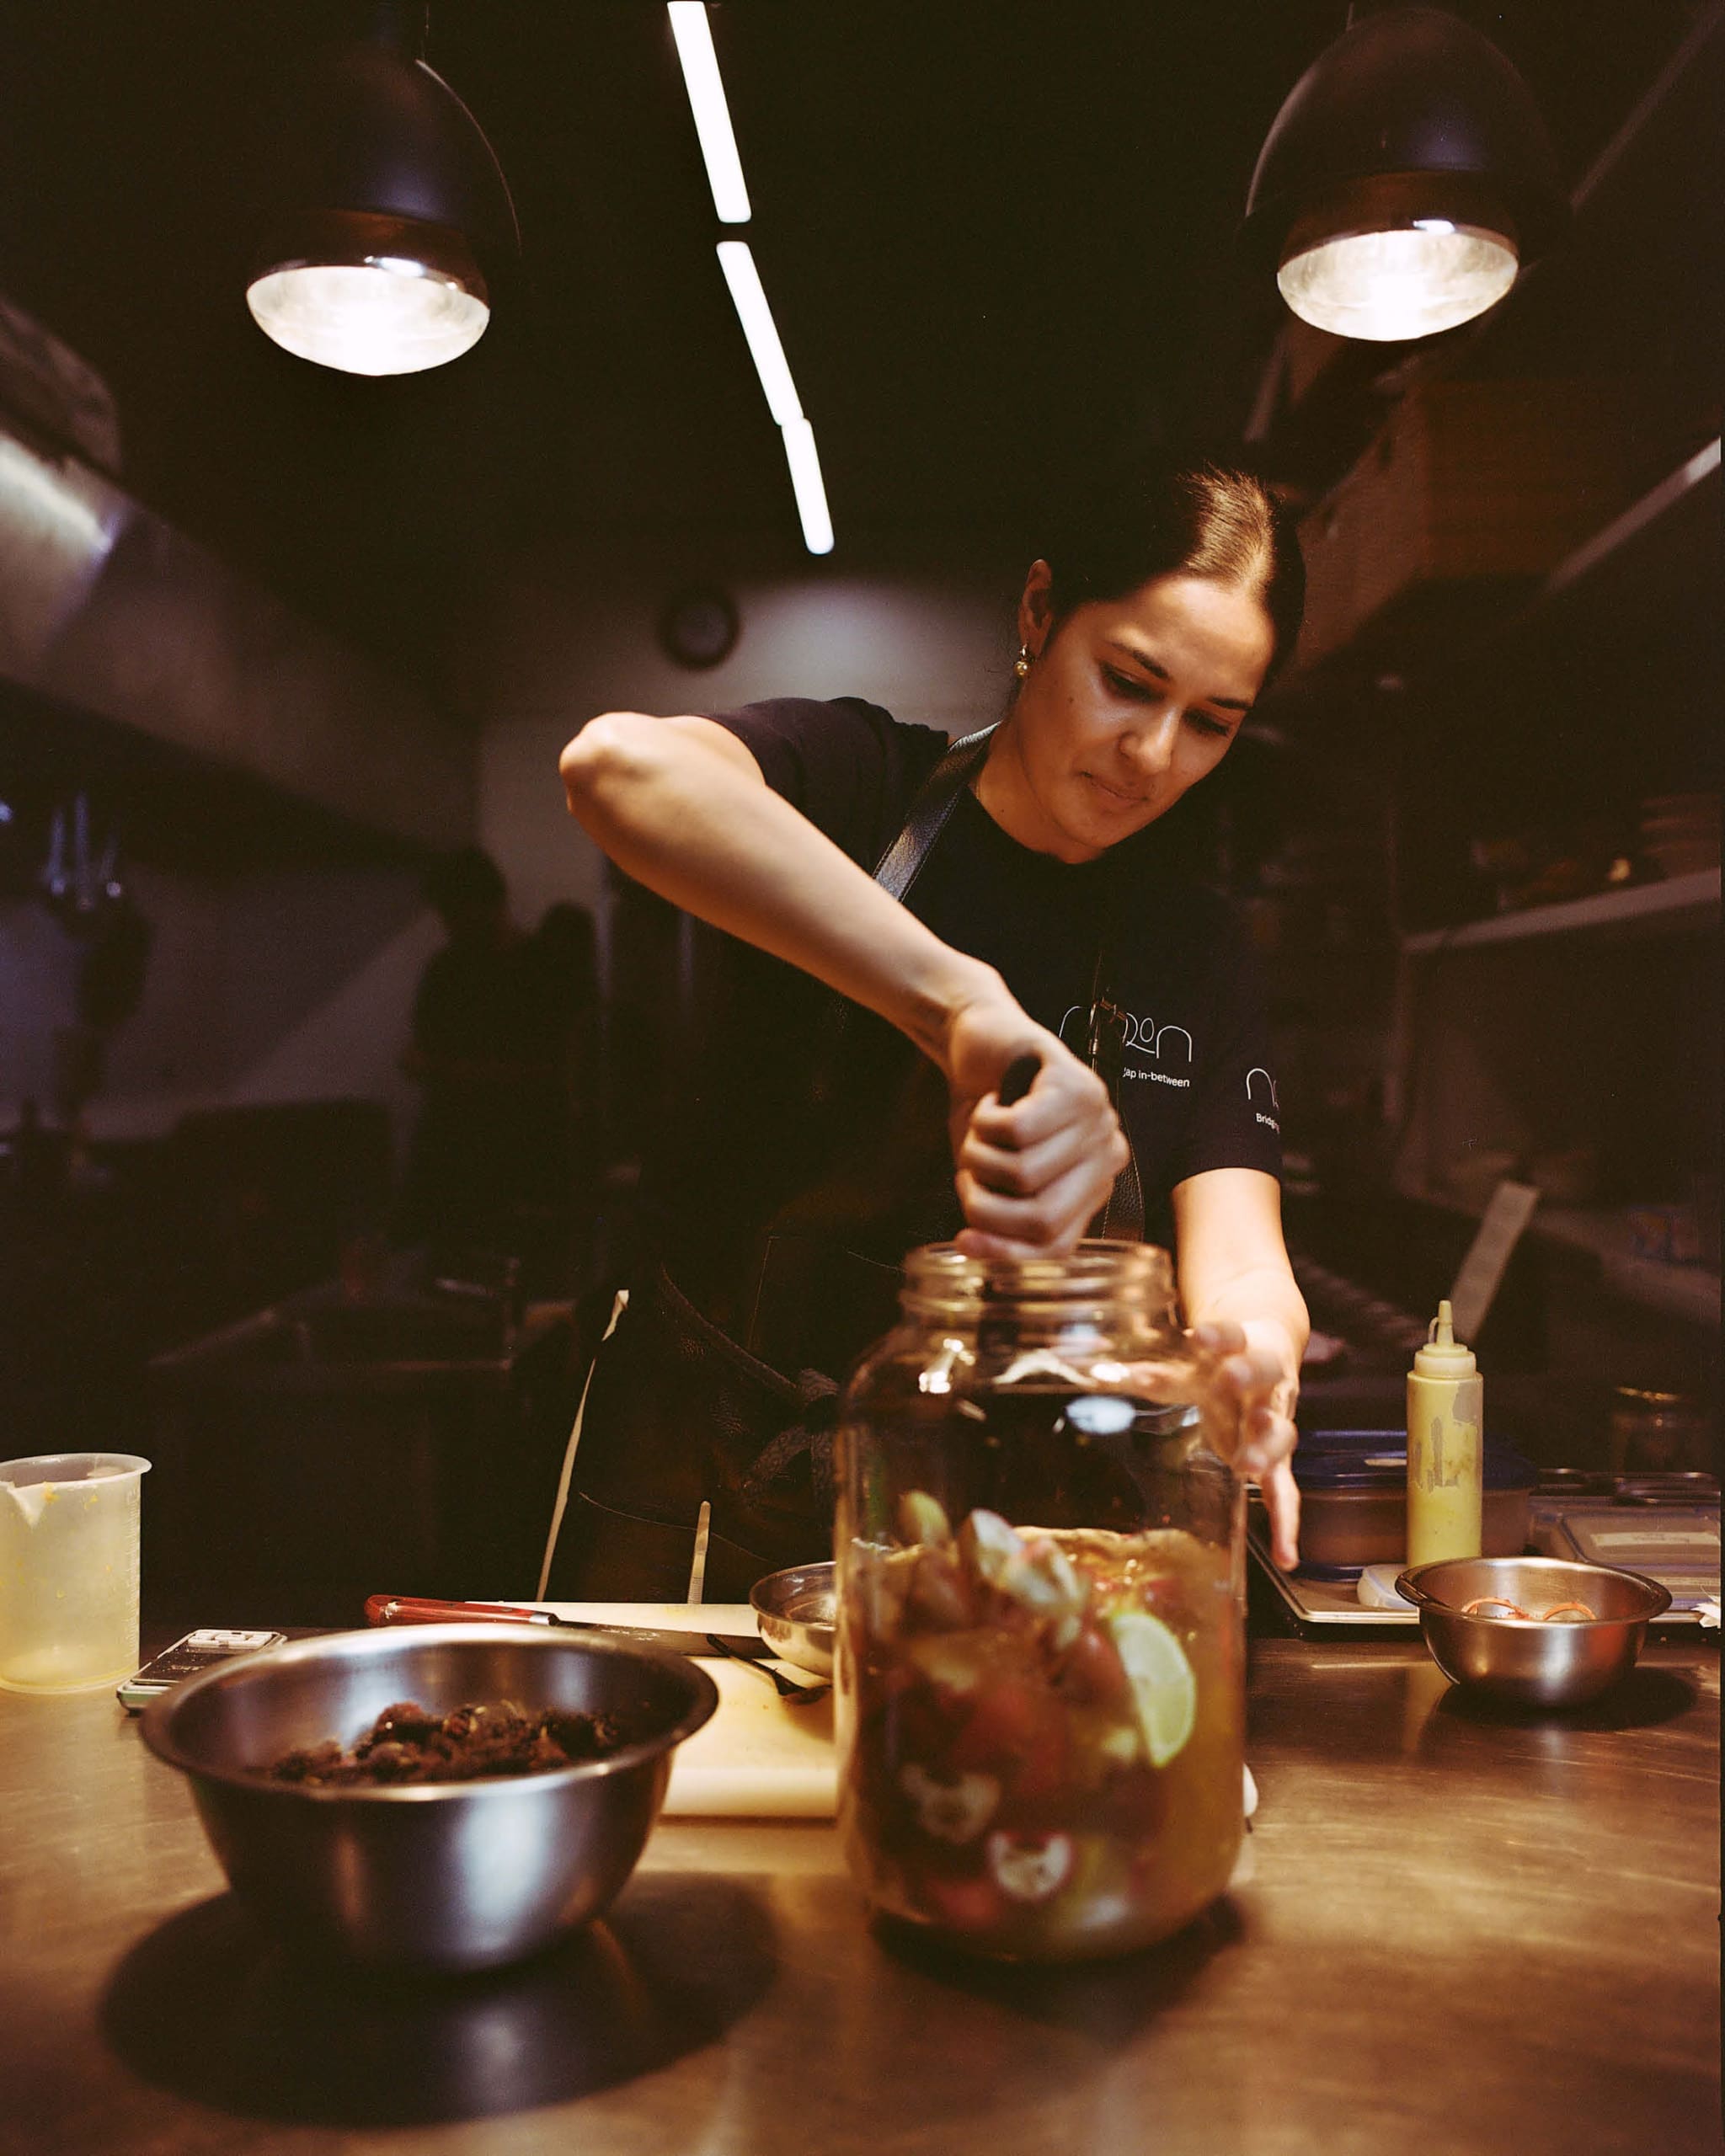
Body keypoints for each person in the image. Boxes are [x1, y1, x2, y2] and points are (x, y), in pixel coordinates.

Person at [544, 456, 1308, 1601]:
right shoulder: (863, 785)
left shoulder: (1193, 943)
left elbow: (1241, 1245)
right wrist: (958, 1008)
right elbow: (618, 767)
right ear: (1040, 613)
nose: (1153, 757)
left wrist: (1255, 1357)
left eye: (1211, 722)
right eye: (1127, 682)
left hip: (1012, 1531)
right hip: (707, 1499)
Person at [398, 847, 572, 1265]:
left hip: (517, 1168)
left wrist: (447, 1069)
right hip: (448, 1165)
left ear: (488, 904)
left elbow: (552, 1072)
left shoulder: (540, 968)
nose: (450, 926)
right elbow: (420, 1051)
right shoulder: (446, 970)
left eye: (456, 914)